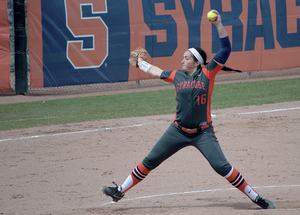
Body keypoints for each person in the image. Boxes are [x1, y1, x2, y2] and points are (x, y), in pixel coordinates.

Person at [101, 10, 275, 209]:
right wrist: (141, 63)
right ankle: (119, 191)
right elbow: (157, 71)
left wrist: (218, 24)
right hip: (177, 131)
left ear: (197, 62)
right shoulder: (176, 75)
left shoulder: (209, 73)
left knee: (222, 166)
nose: (182, 61)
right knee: (150, 160)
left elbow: (226, 48)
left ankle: (256, 198)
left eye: (186, 58)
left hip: (203, 133)